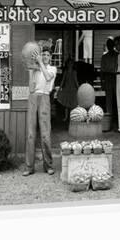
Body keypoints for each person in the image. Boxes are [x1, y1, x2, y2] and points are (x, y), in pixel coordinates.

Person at [23, 47, 57, 176]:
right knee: (31, 134)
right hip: (33, 98)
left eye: (48, 55)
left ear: (51, 57)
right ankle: (29, 167)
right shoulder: (35, 69)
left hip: (44, 97)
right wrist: (31, 71)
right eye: (43, 54)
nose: (45, 56)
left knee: (45, 134)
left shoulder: (52, 69)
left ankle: (48, 165)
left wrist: (40, 63)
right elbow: (31, 88)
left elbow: (48, 78)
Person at [100, 37, 118, 131]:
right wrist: (102, 82)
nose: (110, 46)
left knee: (117, 100)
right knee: (109, 101)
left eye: (111, 45)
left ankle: (117, 121)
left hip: (116, 78)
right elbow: (102, 71)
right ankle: (109, 123)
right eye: (109, 45)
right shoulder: (104, 56)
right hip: (108, 78)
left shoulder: (117, 55)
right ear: (107, 46)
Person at [57, 57, 79, 121]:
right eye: (69, 63)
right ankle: (66, 117)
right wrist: (60, 88)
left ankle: (72, 117)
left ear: (73, 64)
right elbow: (63, 81)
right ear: (67, 64)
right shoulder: (66, 72)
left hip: (73, 89)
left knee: (72, 104)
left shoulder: (74, 72)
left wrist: (79, 88)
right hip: (66, 89)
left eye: (71, 63)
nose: (70, 65)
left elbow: (76, 81)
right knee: (66, 105)